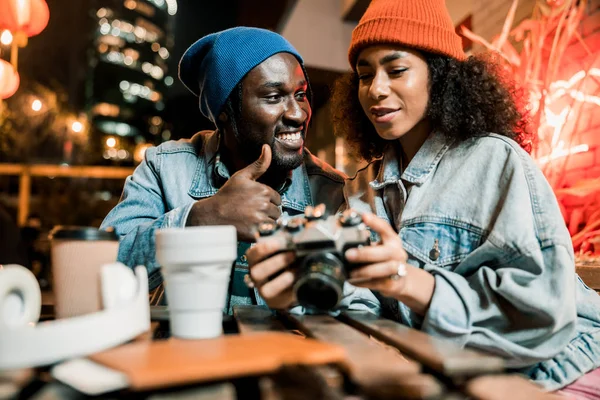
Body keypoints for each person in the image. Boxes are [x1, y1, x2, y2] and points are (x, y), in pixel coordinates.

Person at [247, 0, 600, 394]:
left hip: (559, 369)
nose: (376, 89)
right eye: (365, 76)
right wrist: (295, 294)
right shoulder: (362, 190)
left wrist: (405, 280)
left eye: (396, 70)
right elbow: (363, 308)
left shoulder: (494, 160)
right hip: (456, 371)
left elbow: (541, 314)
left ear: (441, 76)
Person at [100, 27, 346, 313]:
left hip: (286, 354)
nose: (298, 114)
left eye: (301, 94)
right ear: (225, 111)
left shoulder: (330, 191)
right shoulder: (165, 167)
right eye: (273, 97)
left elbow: (354, 307)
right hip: (182, 354)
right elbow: (101, 264)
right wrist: (202, 218)